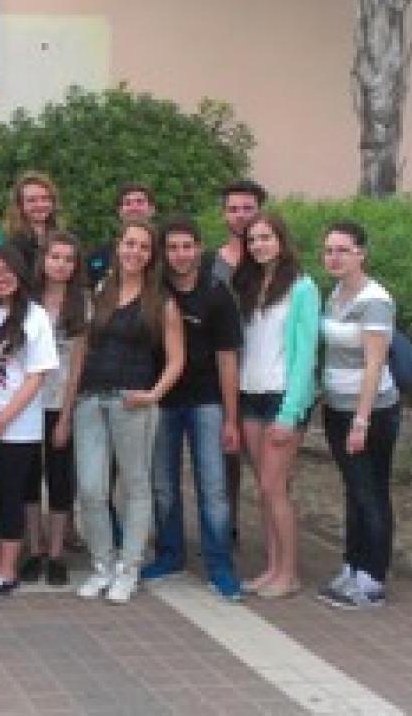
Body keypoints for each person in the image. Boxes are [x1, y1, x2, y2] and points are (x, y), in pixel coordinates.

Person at [59, 219, 184, 604]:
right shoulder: (98, 293)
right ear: (119, 246)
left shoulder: (161, 302)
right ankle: (103, 565)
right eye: (130, 244)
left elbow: (177, 360)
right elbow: (80, 352)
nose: (135, 252)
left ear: (151, 255)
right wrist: (69, 405)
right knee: (92, 489)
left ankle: (129, 568)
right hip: (91, 401)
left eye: (143, 247)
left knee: (135, 486)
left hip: (133, 403)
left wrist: (152, 395)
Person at [141, 217, 244, 602]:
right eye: (173, 247)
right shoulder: (154, 293)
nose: (181, 254)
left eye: (187, 246)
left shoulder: (218, 295)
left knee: (214, 487)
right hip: (163, 402)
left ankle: (220, 565)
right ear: (163, 253)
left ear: (200, 248)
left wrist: (231, 417)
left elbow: (228, 360)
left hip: (206, 402)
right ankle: (170, 554)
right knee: (163, 484)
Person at [232, 212, 319, 599]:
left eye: (265, 237)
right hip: (251, 395)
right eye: (252, 240)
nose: (259, 245)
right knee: (264, 489)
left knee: (275, 486)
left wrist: (291, 411)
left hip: (283, 397)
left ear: (281, 240)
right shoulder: (250, 285)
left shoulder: (302, 287)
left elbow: (304, 356)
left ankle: (289, 573)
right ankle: (271, 566)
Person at [0, 245, 58, 598]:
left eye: (6, 272)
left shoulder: (35, 317)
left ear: (19, 274)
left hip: (17, 427)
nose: (0, 279)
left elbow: (37, 376)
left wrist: (2, 418)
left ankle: (7, 570)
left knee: (10, 497)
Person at [317, 221, 399, 610]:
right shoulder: (335, 295)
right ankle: (352, 565)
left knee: (371, 492)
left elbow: (374, 363)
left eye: (343, 250)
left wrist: (361, 421)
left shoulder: (375, 299)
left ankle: (372, 579)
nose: (334, 257)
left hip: (371, 412)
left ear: (361, 254)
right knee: (354, 490)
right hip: (336, 407)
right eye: (329, 250)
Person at [19, 231, 89, 588]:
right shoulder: (26, 301)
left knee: (60, 478)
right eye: (55, 257)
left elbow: (76, 365)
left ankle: (58, 552)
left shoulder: (82, 305)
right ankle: (35, 547)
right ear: (43, 260)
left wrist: (66, 415)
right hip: (28, 404)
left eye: (68, 259)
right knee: (29, 479)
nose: (60, 264)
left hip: (61, 402)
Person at [211, 178, 268, 541]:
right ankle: (226, 526)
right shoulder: (210, 263)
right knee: (225, 456)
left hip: (263, 373)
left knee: (269, 466)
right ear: (224, 214)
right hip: (221, 372)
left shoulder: (270, 261)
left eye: (248, 208)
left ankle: (274, 538)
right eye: (234, 209)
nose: (241, 216)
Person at [86, 182, 157, 284]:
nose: (134, 208)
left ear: (152, 210)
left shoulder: (165, 251)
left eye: (139, 202)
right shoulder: (99, 256)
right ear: (120, 211)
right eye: (128, 203)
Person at [5, 171, 61, 273]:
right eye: (32, 200)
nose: (40, 205)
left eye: (45, 198)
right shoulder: (14, 245)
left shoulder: (63, 236)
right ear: (20, 206)